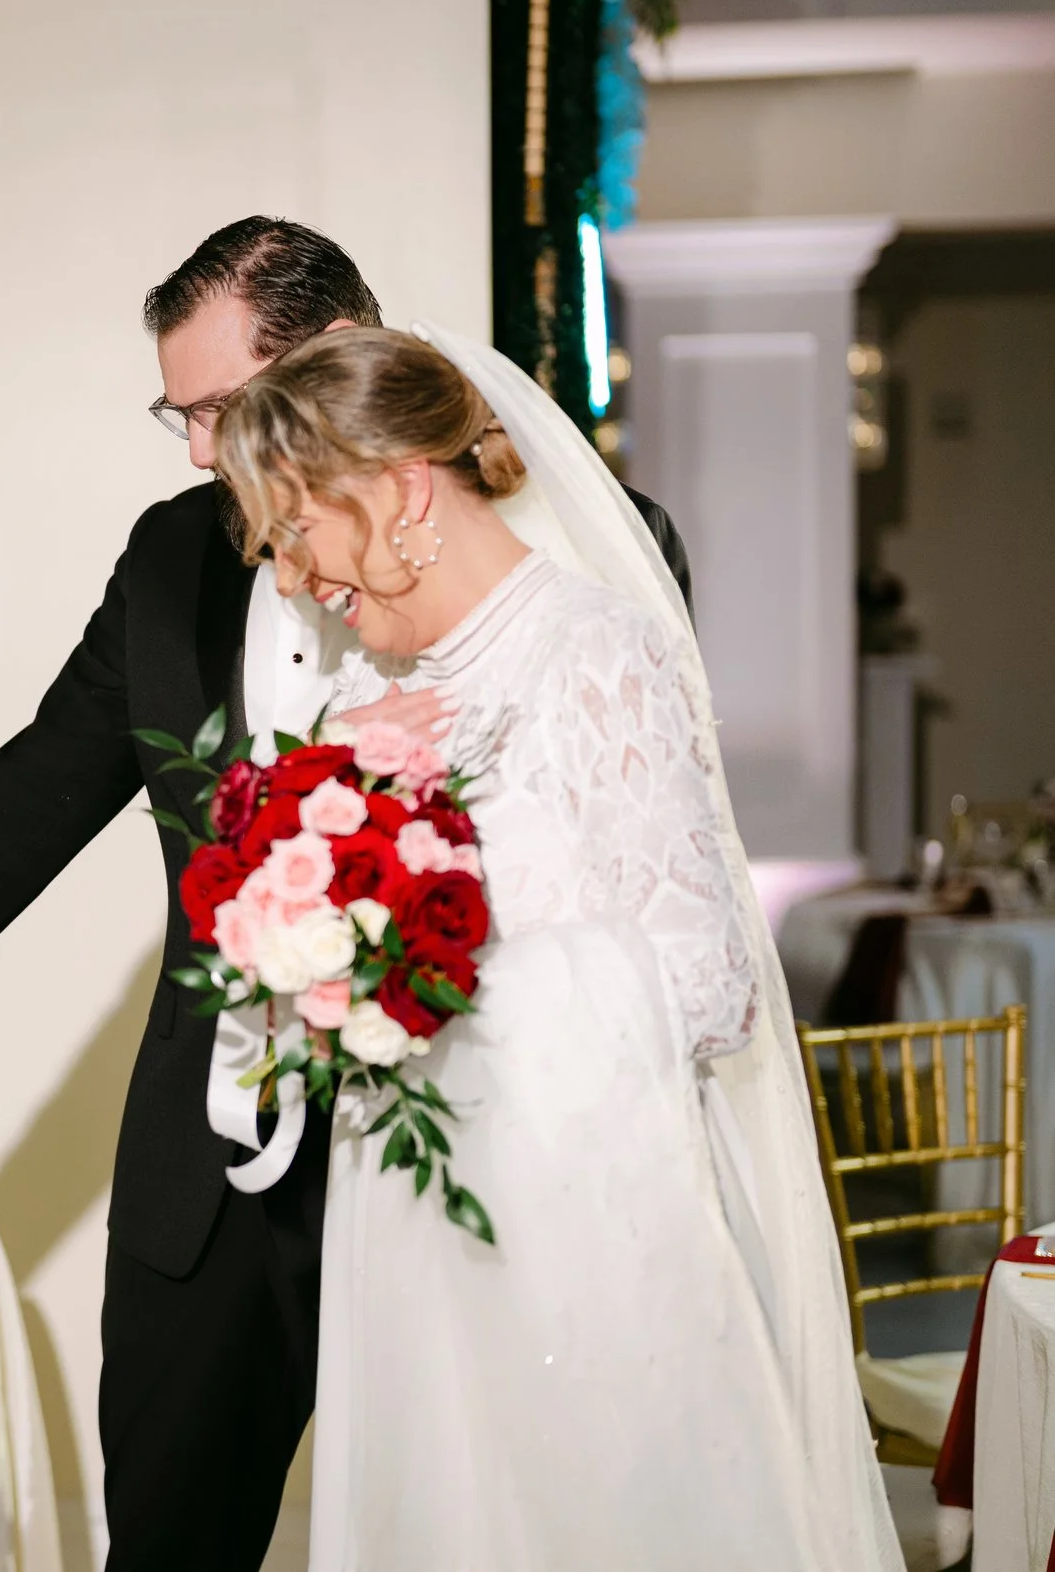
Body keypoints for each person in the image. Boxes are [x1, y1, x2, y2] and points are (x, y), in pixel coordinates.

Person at [0, 218, 694, 1568]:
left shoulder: (584, 550)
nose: (202, 451)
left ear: (327, 356)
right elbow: (27, 798)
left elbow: (646, 867)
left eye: (216, 408)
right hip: (210, 1189)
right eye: (178, 415)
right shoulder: (169, 560)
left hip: (479, 1177)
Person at [212, 323, 896, 1568]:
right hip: (417, 1241)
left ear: (402, 486)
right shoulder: (356, 709)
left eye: (296, 525)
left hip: (596, 1238)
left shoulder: (596, 654)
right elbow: (287, 997)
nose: (295, 577)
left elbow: (712, 983)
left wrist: (431, 987)